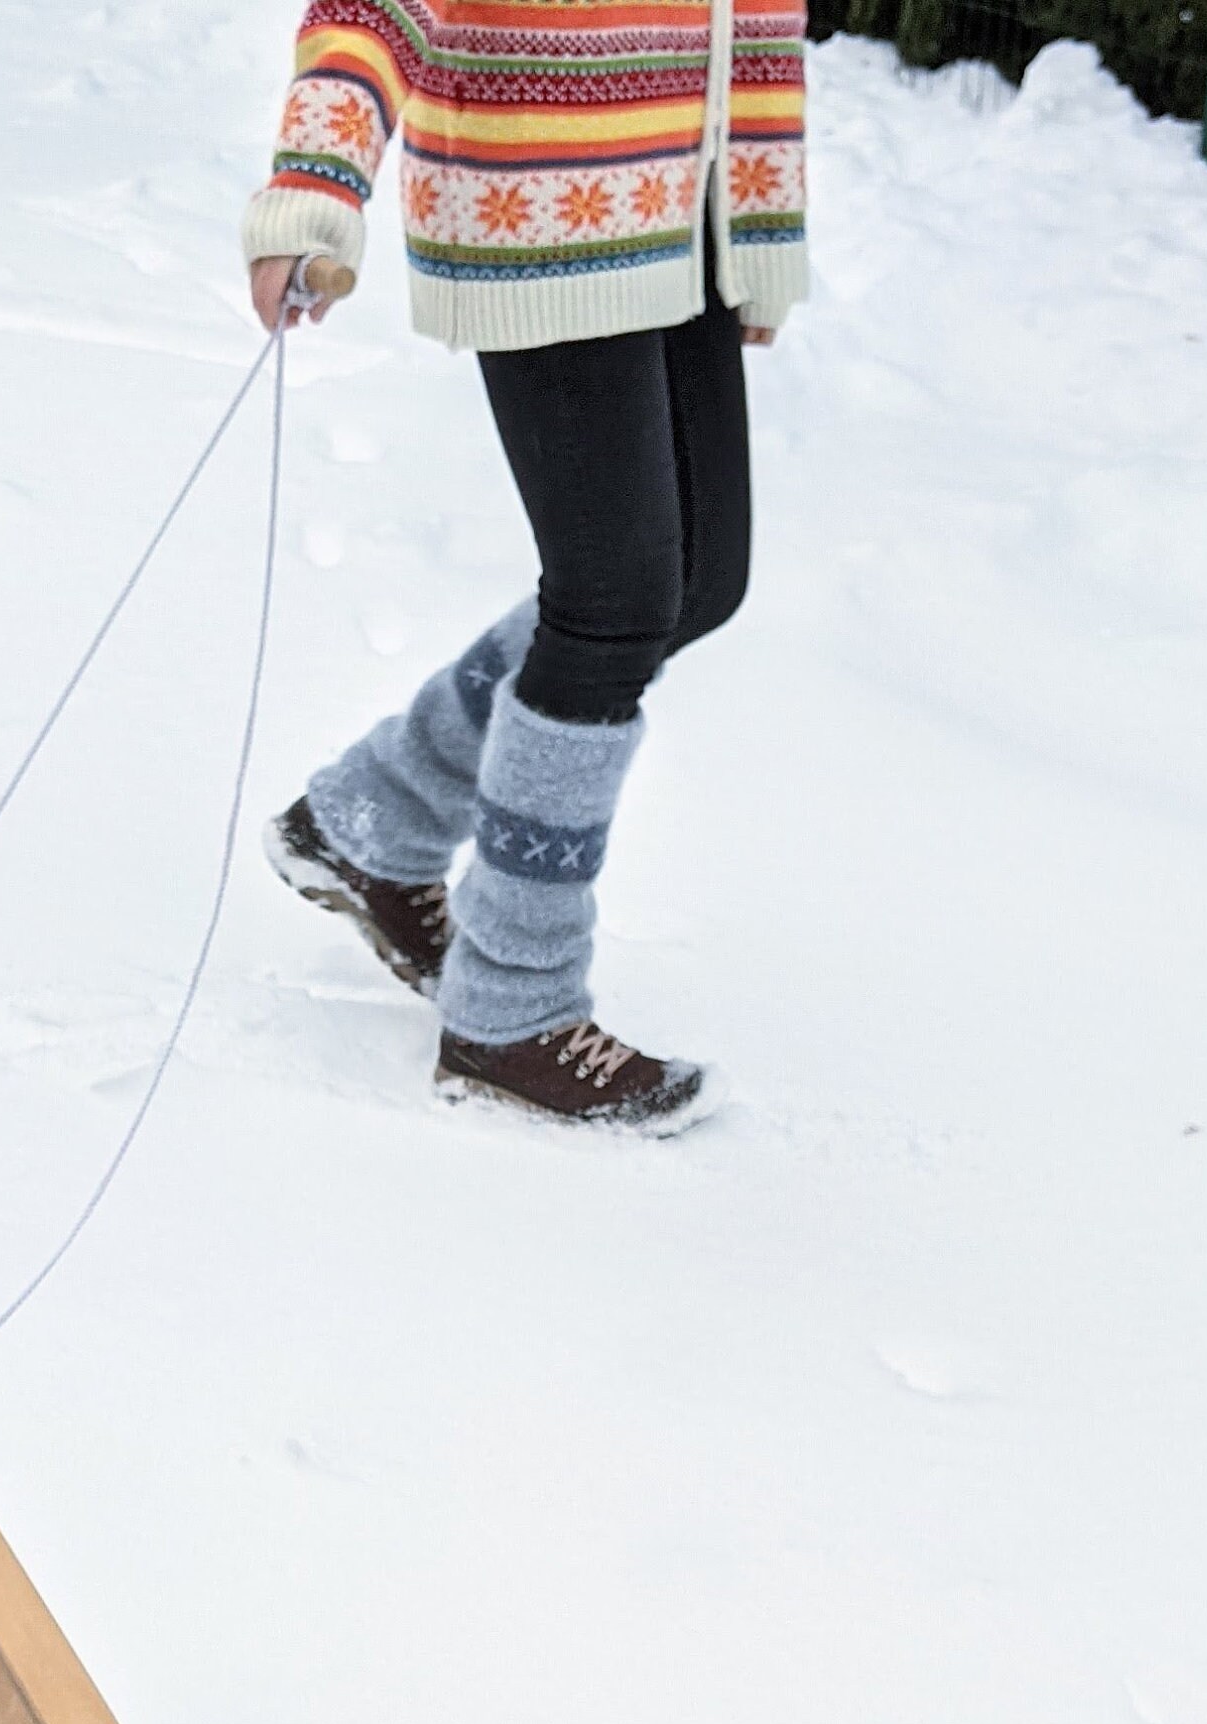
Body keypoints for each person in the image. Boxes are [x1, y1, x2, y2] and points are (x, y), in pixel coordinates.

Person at [243, 1, 808, 1133]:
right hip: (538, 207)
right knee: (613, 605)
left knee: (697, 583)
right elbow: (369, 9)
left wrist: (758, 221)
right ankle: (509, 1012)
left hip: (679, 206)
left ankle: (369, 823)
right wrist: (317, 189)